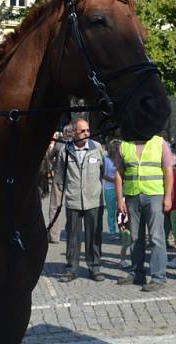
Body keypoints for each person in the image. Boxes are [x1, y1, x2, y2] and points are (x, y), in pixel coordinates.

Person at [115, 134, 175, 292]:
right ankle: (137, 273)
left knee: (156, 237)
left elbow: (168, 171)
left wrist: (168, 197)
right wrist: (119, 199)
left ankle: (158, 277)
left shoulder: (159, 143)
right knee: (135, 237)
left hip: (154, 196)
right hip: (132, 196)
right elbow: (119, 173)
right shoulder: (124, 144)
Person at [58, 119, 105, 282]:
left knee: (94, 237)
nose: (87, 133)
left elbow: (103, 171)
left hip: (94, 200)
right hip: (73, 201)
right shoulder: (65, 151)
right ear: (74, 133)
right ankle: (71, 269)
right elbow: (60, 177)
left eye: (88, 130)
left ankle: (95, 267)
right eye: (83, 131)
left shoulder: (97, 148)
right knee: (73, 237)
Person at [47, 124, 74, 244]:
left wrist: (52, 144)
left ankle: (54, 236)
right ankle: (72, 234)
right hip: (74, 180)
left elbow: (49, 156)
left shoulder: (59, 144)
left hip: (59, 179)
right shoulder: (77, 144)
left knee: (55, 207)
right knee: (73, 208)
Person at [102, 139, 119, 240]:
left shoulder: (121, 159)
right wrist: (114, 180)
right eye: (117, 148)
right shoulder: (106, 159)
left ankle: (123, 230)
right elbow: (103, 174)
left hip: (121, 188)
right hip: (109, 188)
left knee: (121, 211)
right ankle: (112, 231)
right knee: (111, 212)